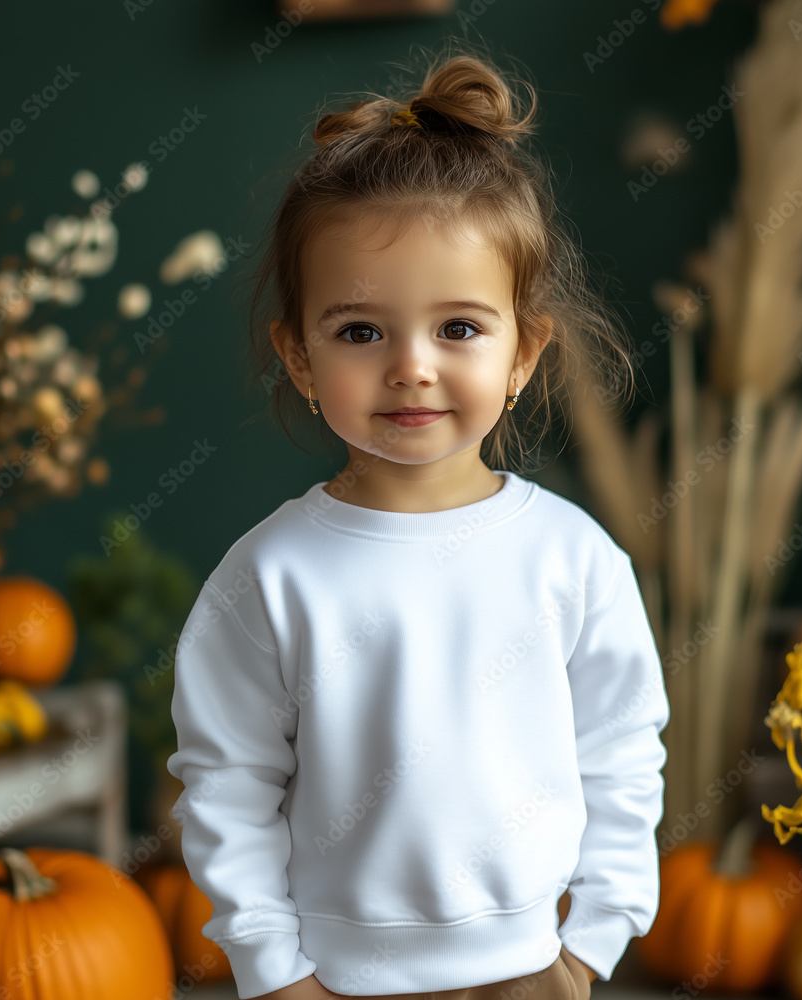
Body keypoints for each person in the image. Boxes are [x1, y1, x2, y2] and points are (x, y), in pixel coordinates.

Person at [167, 39, 670, 1000]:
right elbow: (227, 786)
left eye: (459, 328)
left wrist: (591, 945)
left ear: (524, 353)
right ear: (300, 356)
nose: (412, 366)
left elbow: (621, 756)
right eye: (360, 331)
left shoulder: (571, 560)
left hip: (532, 973)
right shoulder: (269, 576)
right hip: (329, 983)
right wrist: (273, 971)